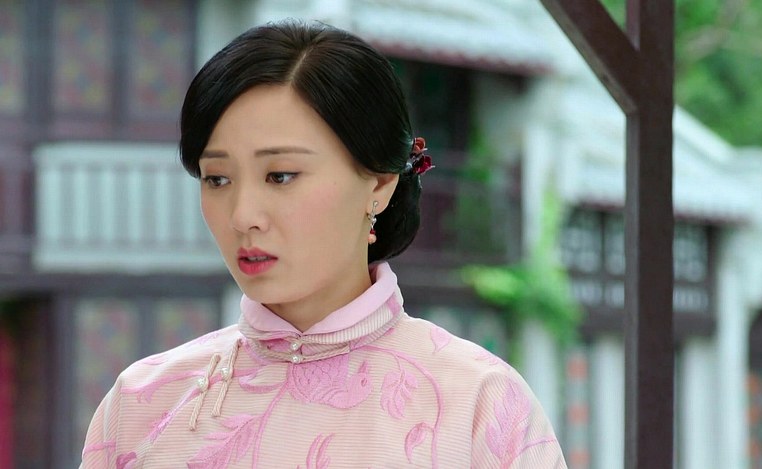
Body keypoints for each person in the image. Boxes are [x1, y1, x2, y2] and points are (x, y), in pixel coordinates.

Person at [80, 19, 567, 468]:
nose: (243, 216)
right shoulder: (141, 405)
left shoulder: (479, 404)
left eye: (280, 175)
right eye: (218, 179)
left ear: (379, 184)